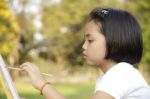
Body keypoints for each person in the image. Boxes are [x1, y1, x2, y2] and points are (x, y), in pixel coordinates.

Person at [20, 8, 150, 99]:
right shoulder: (107, 77)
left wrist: (42, 84)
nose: (84, 46)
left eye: (90, 40)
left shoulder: (121, 74)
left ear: (115, 43)